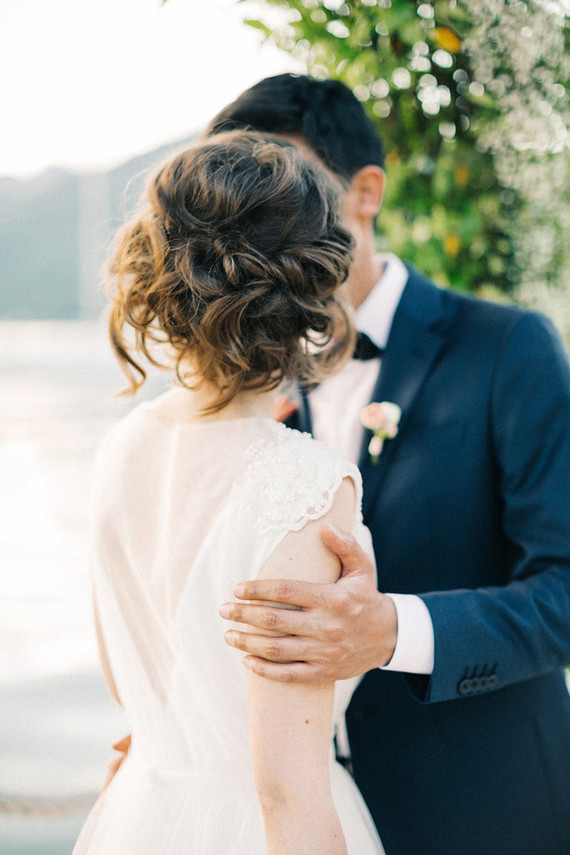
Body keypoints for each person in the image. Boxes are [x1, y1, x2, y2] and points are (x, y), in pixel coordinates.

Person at [213, 74, 570, 855]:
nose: (263, 231)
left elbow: (565, 588)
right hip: (306, 815)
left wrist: (394, 632)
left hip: (488, 810)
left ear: (365, 192)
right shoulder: (245, 384)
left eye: (288, 191)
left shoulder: (510, 347)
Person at [72, 130, 384, 855]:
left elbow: (130, 684)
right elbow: (285, 790)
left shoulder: (121, 448)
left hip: (141, 815)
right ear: (312, 287)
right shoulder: (305, 482)